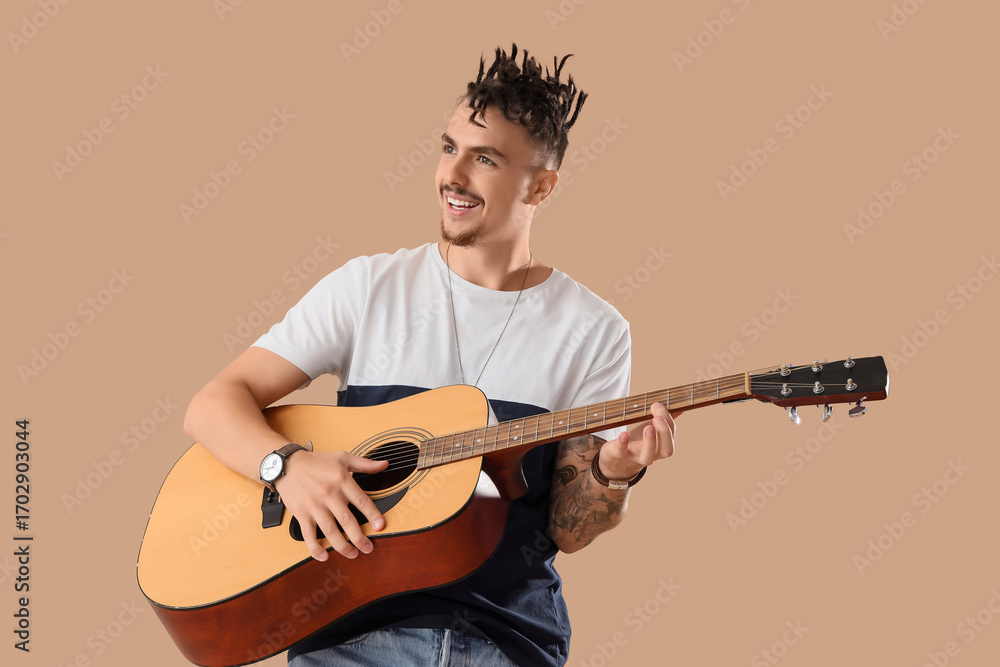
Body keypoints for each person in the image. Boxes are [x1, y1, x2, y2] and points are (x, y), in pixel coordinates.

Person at [183, 44, 676, 667]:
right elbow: (212, 406)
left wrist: (616, 471)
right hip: (347, 633)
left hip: (507, 642)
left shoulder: (594, 328)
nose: (454, 175)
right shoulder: (368, 288)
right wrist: (285, 468)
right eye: (448, 149)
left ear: (542, 186)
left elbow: (568, 530)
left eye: (485, 158)